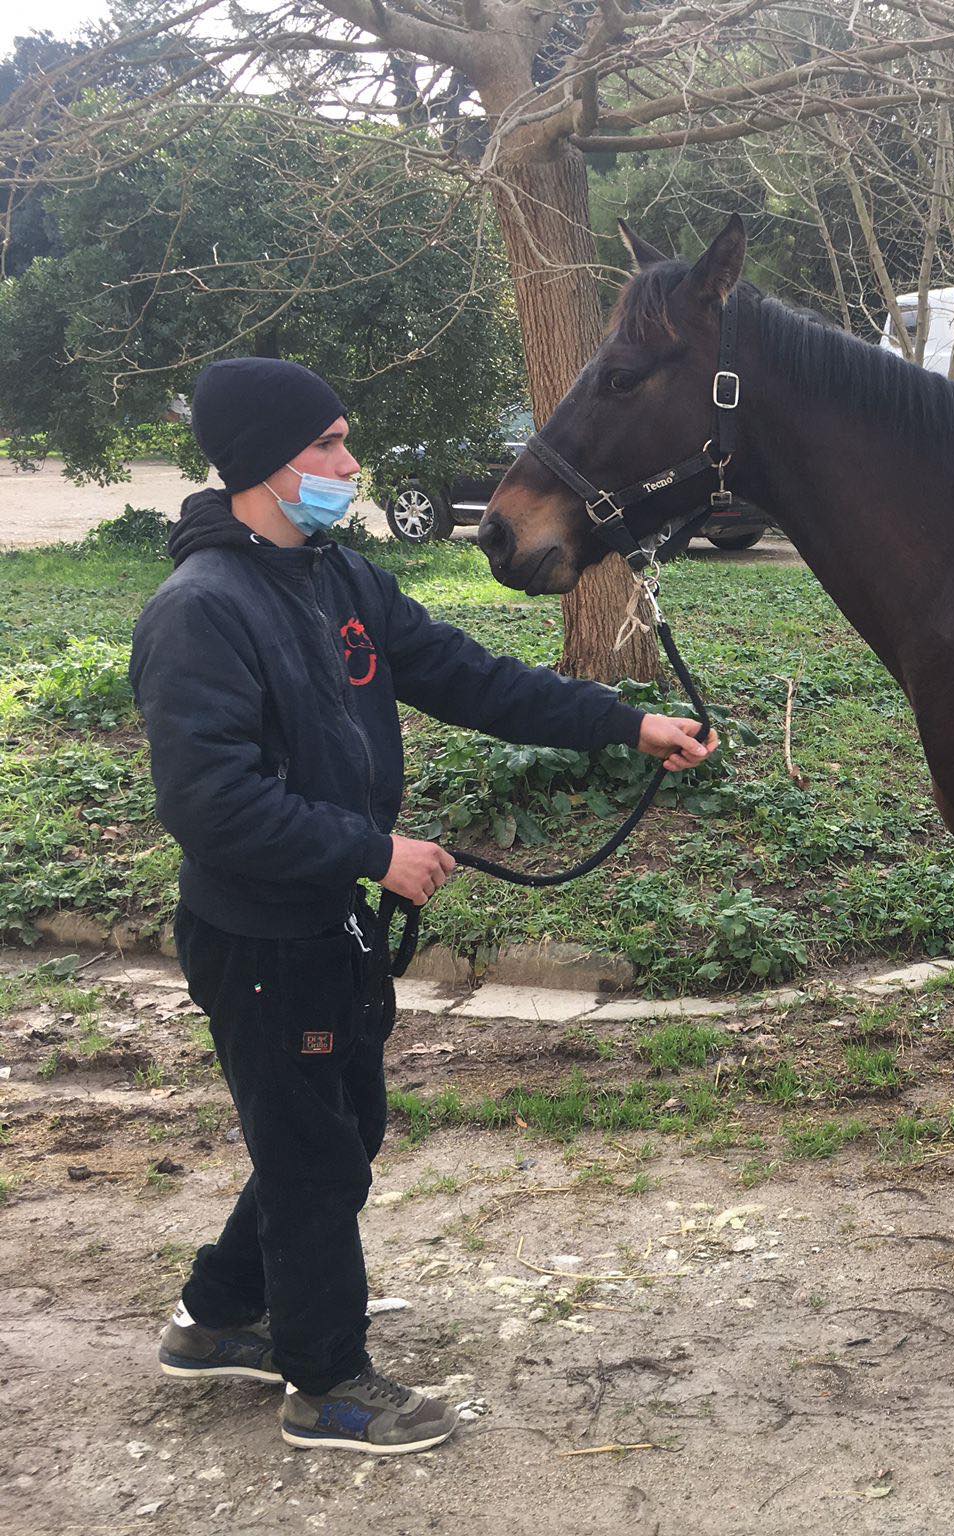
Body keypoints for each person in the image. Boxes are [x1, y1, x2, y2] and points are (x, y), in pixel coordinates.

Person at [131, 357, 717, 1456]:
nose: (350, 467)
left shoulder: (336, 580)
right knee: (314, 1157)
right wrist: (372, 849)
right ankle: (326, 1382)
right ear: (266, 461)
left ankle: (219, 1320)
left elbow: (468, 675)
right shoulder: (202, 612)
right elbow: (209, 805)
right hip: (258, 932)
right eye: (329, 447)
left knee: (338, 1131)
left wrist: (623, 723)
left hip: (323, 921)